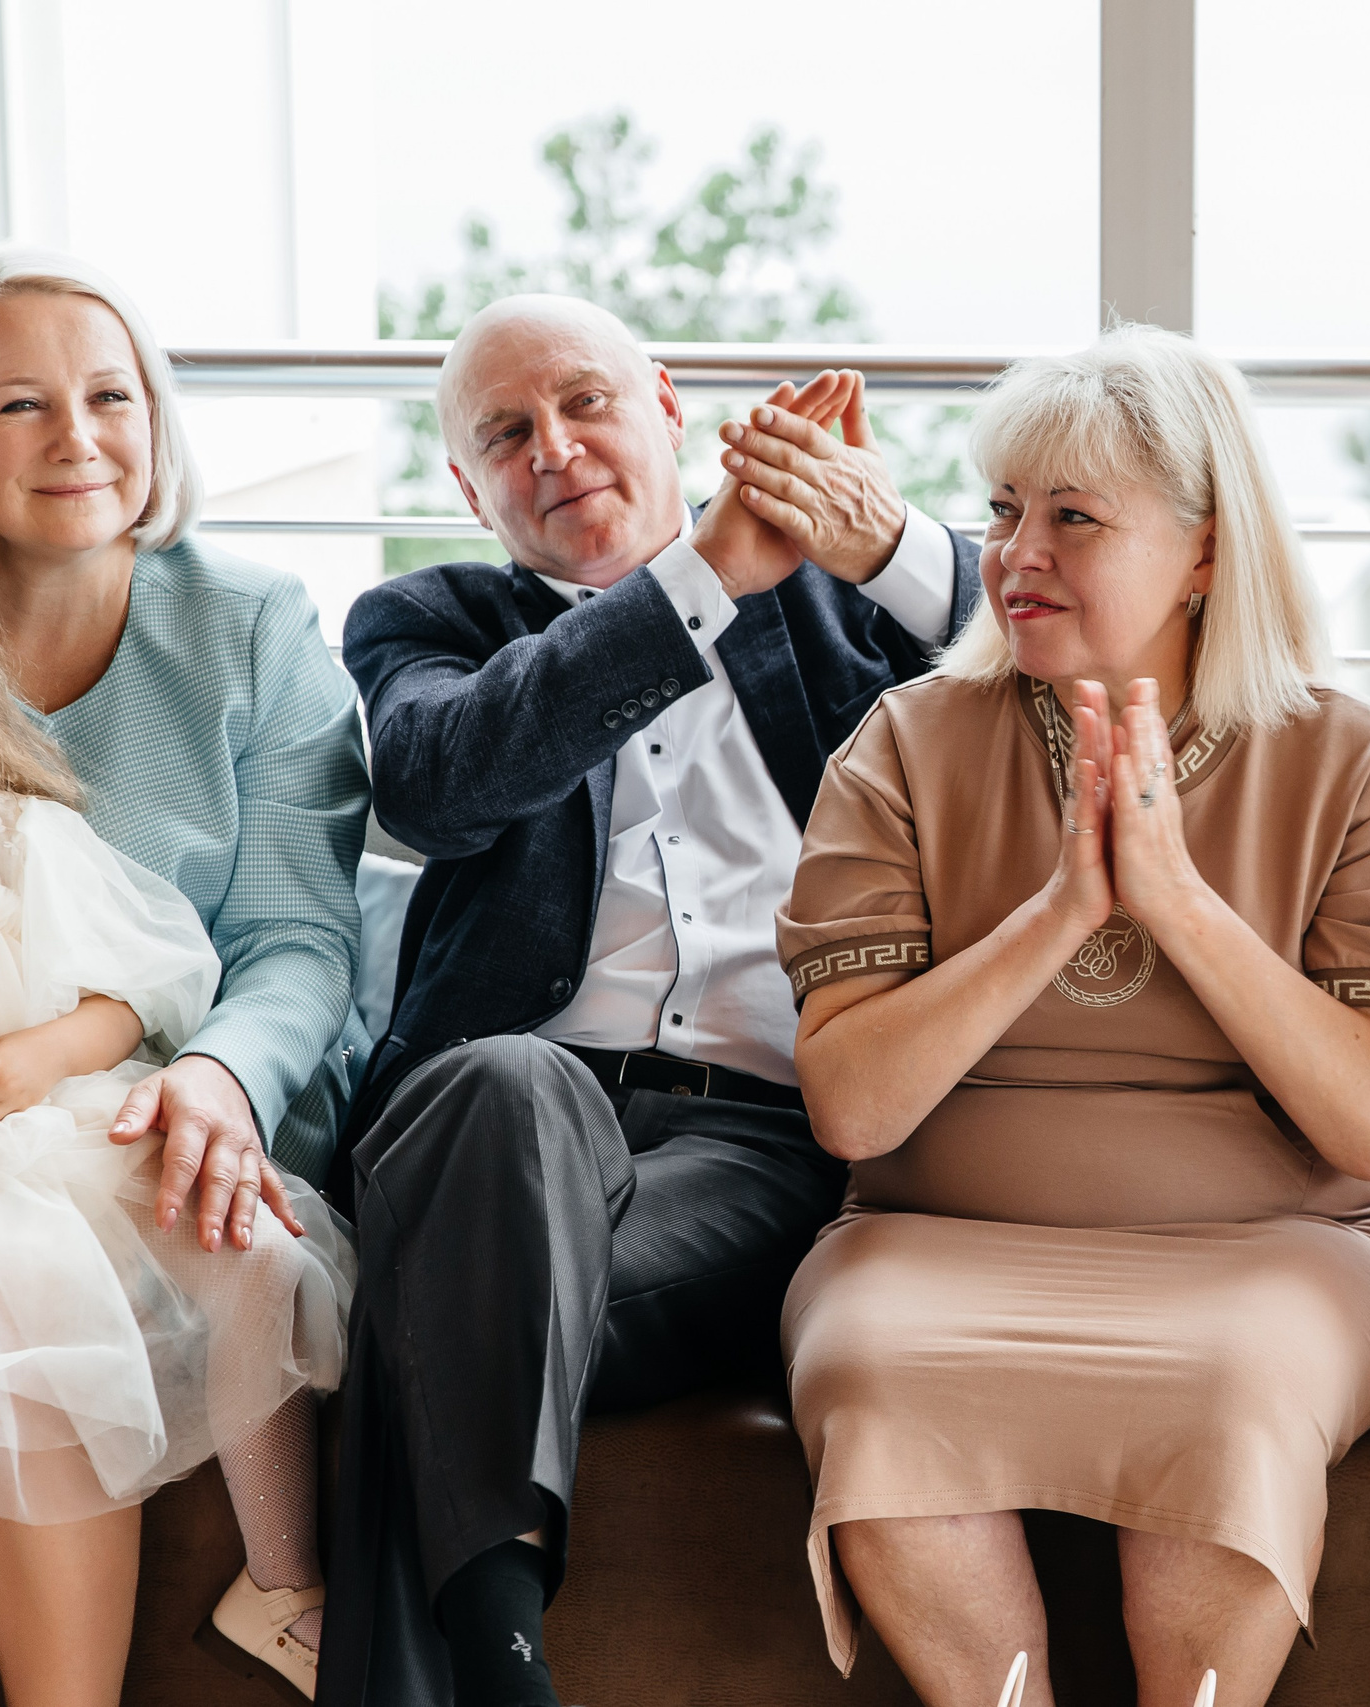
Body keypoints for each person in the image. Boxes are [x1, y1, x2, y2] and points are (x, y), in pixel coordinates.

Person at [776, 326, 1370, 1707]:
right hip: (931, 1239)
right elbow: (852, 1107)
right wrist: (1060, 911)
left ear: (1207, 551)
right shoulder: (902, 743)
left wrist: (1179, 901)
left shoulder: (1352, 760)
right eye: (1002, 511)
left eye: (1074, 518)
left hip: (1288, 1247)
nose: (1016, 554)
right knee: (874, 1369)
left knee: (1236, 1388)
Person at [327, 293, 979, 1707]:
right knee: (505, 1080)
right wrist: (698, 575)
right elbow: (440, 782)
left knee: (442, 1300)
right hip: (495, 1129)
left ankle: (494, 1658)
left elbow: (1054, 667)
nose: (555, 450)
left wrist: (891, 543)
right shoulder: (428, 620)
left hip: (761, 1145)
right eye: (507, 434)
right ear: (470, 489)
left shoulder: (839, 600)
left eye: (585, 402)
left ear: (668, 405)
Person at [0, 248, 371, 1697]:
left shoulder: (254, 625)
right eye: (20, 403)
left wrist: (221, 1076)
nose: (79, 437)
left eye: (111, 396)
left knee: (71, 1267)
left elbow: (299, 940)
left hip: (157, 1114)